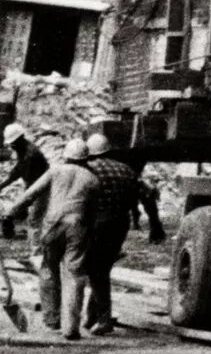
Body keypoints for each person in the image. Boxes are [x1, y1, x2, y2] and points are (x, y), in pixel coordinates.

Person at [1, 141, 97, 340]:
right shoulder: (92, 179)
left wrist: (9, 214)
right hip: (78, 226)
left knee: (48, 268)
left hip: (52, 225)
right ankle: (71, 328)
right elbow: (93, 211)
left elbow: (30, 194)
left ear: (66, 155)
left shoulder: (55, 171)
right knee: (74, 274)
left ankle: (52, 321)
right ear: (86, 158)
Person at [76, 134, 158, 336]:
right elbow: (148, 196)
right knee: (102, 267)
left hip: (97, 224)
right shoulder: (127, 170)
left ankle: (103, 319)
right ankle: (92, 316)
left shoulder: (88, 170)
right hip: (120, 224)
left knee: (96, 270)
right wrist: (155, 225)